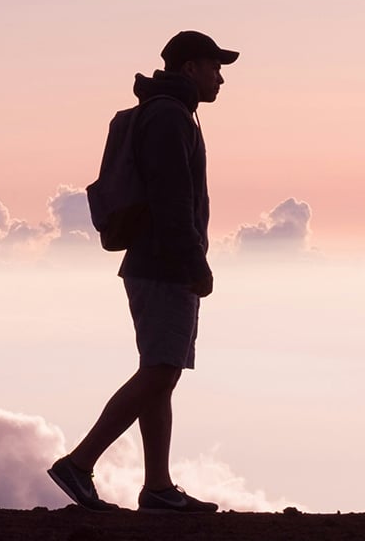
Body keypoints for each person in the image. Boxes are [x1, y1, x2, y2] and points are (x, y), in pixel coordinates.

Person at [48, 31, 237, 513]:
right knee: (161, 369)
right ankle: (79, 462)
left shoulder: (170, 114)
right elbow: (173, 199)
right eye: (215, 67)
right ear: (190, 68)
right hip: (164, 264)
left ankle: (157, 488)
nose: (220, 78)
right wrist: (196, 262)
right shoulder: (171, 118)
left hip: (153, 262)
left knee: (161, 372)